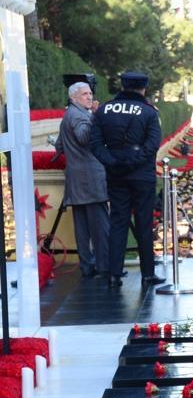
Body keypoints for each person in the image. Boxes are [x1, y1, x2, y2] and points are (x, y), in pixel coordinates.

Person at [89, 71, 163, 289]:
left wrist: (112, 162)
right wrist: (132, 162)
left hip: (115, 175)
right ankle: (147, 274)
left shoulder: (104, 109)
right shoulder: (149, 112)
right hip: (142, 176)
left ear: (122, 86)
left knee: (118, 223)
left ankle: (114, 274)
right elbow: (152, 145)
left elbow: (94, 144)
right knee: (143, 224)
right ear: (143, 88)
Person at [56, 81, 109, 279]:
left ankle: (87, 266)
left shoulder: (68, 114)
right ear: (74, 98)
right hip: (92, 180)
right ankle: (105, 267)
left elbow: (60, 146)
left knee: (82, 227)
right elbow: (84, 137)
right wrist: (96, 116)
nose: (90, 97)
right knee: (100, 226)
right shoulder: (79, 115)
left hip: (77, 179)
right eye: (85, 94)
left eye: (90, 93)